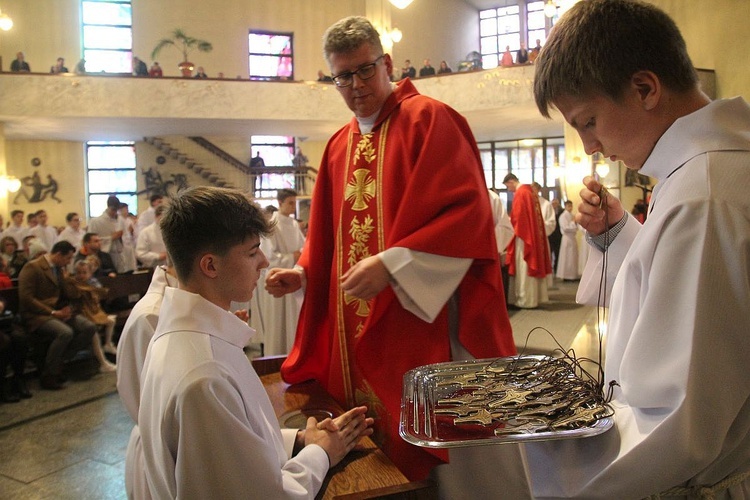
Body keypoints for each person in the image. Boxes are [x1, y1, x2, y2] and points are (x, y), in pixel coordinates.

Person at [265, 16, 516, 482]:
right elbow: (326, 238)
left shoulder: (430, 120)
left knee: (450, 446)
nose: (355, 85)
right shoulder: (339, 145)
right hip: (355, 322)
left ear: (386, 63)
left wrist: (394, 265)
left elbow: (468, 217)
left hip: (426, 317)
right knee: (373, 443)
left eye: (364, 70)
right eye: (343, 76)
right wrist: (304, 273)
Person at [527, 0, 750, 497]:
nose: (589, 145)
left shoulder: (705, 196)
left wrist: (545, 439)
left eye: (588, 121)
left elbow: (677, 418)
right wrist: (619, 233)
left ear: (645, 88)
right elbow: (684, 289)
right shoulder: (702, 173)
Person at [138, 186, 374, 498]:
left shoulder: (181, 337)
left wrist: (301, 439)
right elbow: (263, 494)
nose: (263, 262)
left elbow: (229, 446)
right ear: (210, 265)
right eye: (251, 252)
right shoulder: (205, 377)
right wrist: (322, 453)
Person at [18, 241, 97, 390]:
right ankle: (49, 374)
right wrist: (54, 312)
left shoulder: (60, 270)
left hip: (58, 312)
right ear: (58, 254)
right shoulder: (33, 267)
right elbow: (26, 298)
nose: (68, 262)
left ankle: (58, 362)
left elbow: (67, 295)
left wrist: (67, 307)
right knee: (65, 333)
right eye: (67, 258)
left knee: (88, 327)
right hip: (37, 315)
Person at [253, 188, 305, 356]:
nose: (293, 206)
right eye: (290, 202)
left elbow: (304, 248)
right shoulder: (272, 226)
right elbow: (269, 258)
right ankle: (275, 356)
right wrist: (292, 256)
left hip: (294, 280)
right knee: (277, 323)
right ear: (280, 203)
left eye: (294, 202)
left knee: (293, 321)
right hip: (277, 280)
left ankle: (293, 353)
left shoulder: (295, 225)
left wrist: (300, 255)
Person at [503, 173, 551, 308]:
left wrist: (508, 223)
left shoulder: (521, 193)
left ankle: (525, 300)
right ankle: (534, 298)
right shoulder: (530, 192)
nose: (509, 190)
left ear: (512, 181)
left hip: (523, 236)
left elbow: (518, 217)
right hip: (531, 234)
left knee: (524, 266)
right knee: (528, 266)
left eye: (508, 186)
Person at [69, 260, 117, 372]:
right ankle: (103, 362)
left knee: (112, 320)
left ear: (90, 274)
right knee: (94, 333)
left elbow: (99, 296)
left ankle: (108, 344)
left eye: (84, 272)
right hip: (83, 314)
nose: (81, 275)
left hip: (93, 313)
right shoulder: (75, 285)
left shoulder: (91, 284)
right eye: (78, 273)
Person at [88, 195, 125, 270]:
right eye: (113, 209)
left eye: (116, 210)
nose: (114, 212)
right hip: (104, 255)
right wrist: (111, 238)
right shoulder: (96, 221)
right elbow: (90, 241)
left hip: (119, 254)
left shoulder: (121, 220)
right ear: (108, 207)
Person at [555, 200, 579, 280]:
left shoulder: (572, 215)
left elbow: (577, 226)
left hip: (572, 238)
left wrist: (574, 225)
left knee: (572, 257)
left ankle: (572, 275)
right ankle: (566, 276)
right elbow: (565, 228)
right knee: (567, 257)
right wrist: (573, 224)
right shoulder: (563, 216)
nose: (570, 208)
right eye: (568, 206)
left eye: (571, 206)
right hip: (567, 238)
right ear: (565, 206)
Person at [548, 198, 563, 273]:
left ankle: (556, 268)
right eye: (553, 204)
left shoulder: (562, 212)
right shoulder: (549, 211)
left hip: (558, 235)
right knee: (549, 252)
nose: (554, 205)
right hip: (550, 235)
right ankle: (549, 268)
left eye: (555, 203)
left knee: (557, 252)